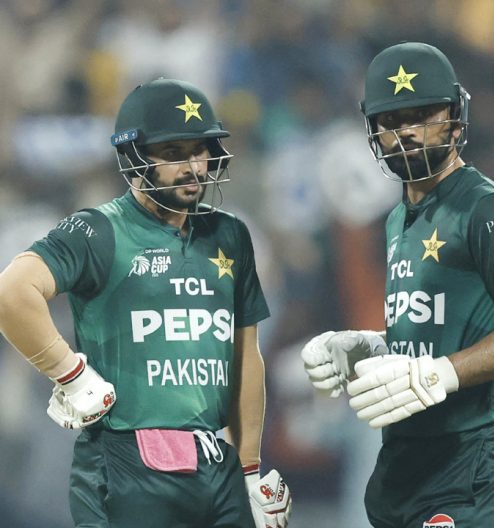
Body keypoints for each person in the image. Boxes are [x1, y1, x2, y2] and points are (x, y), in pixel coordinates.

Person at [0, 78, 292, 528]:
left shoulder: (231, 234)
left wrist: (249, 469)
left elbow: (244, 357)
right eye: (174, 153)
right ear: (134, 157)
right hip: (123, 452)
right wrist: (69, 372)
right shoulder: (98, 229)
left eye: (200, 150)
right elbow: (12, 292)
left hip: (212, 458)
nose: (194, 167)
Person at [299, 41, 494, 527]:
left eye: (423, 115)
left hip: (475, 452)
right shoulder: (398, 219)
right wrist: (373, 346)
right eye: (392, 120)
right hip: (410, 454)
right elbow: (441, 329)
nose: (408, 132)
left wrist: (442, 374)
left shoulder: (489, 208)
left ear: (455, 118)